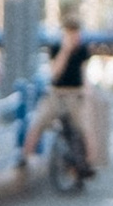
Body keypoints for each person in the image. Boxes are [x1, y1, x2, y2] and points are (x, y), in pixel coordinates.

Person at [20, 19, 96, 176]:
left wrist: (88, 90)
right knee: (37, 123)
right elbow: (55, 73)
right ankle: (25, 157)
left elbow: (83, 72)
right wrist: (65, 51)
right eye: (70, 33)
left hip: (75, 94)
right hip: (56, 93)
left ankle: (89, 162)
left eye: (76, 33)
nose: (74, 37)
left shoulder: (82, 51)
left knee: (85, 128)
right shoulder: (56, 48)